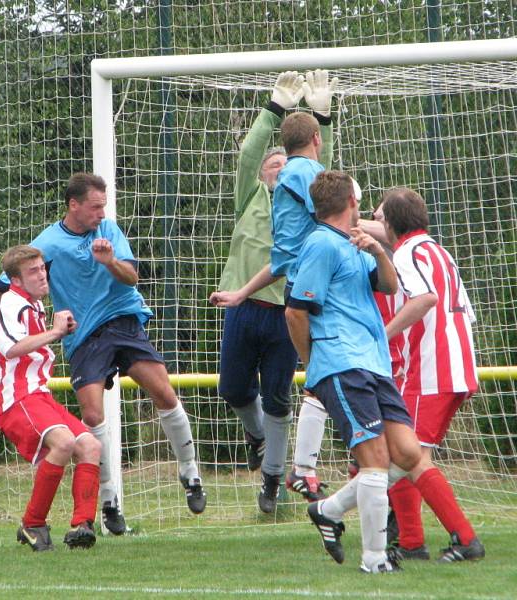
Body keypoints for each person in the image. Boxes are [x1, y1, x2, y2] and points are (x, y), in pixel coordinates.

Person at [0, 173, 205, 534]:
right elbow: (2, 284)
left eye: (103, 206)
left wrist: (110, 261)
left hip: (122, 321)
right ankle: (110, 501)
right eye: (95, 207)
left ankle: (189, 472)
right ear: (74, 205)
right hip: (84, 334)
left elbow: (132, 278)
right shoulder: (47, 243)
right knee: (92, 414)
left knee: (163, 391)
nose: (101, 213)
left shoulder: (108, 231)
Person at [284, 171, 483, 573]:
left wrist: (377, 251)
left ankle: (329, 511)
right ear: (351, 205)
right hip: (344, 364)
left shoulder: (357, 245)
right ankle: (376, 559)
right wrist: (315, 363)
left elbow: (391, 289)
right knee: (374, 459)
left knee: (407, 453)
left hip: (375, 366)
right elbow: (295, 311)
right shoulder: (321, 244)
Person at [209, 69, 337, 512]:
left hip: (287, 306)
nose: (284, 169)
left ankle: (272, 481)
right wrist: (274, 109)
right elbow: (248, 154)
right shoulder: (251, 199)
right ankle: (258, 437)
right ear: (264, 174)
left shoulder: (305, 191)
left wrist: (323, 119)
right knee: (233, 389)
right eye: (275, 164)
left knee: (279, 397)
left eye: (289, 163)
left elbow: (324, 181)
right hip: (245, 307)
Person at [379, 188, 482, 562]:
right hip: (457, 365)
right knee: (402, 452)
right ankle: (411, 542)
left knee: (409, 455)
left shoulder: (406, 253)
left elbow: (425, 299)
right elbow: (466, 312)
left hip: (431, 369)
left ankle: (465, 539)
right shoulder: (437, 251)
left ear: (390, 224)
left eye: (379, 219)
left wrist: (385, 333)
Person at [0, 245, 101, 551]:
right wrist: (53, 333)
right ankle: (32, 523)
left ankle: (82, 526)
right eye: (32, 272)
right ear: (16, 280)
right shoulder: (9, 303)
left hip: (38, 395)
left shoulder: (33, 304)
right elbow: (10, 348)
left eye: (42, 269)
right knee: (64, 443)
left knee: (90, 445)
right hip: (17, 397)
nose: (42, 275)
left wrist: (58, 331)